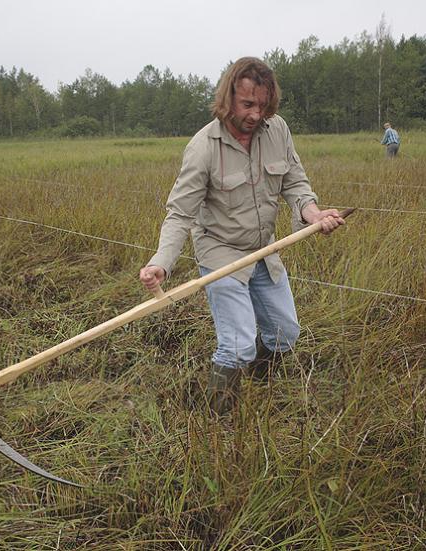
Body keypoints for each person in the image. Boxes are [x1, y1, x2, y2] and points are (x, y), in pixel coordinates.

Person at [139, 57, 345, 415]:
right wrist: (161, 263)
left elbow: (295, 183)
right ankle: (218, 420)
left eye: (263, 105)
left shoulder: (277, 130)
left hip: (265, 249)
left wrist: (311, 213)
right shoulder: (203, 147)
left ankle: (257, 384)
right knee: (237, 345)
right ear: (228, 98)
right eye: (248, 104)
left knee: (285, 334)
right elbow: (180, 214)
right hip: (220, 252)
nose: (256, 114)